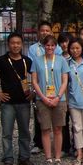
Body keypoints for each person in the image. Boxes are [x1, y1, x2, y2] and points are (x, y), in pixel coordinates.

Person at [0, 33, 35, 165]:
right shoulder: (0, 61)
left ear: (21, 45)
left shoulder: (27, 61)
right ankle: (8, 158)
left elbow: (37, 77)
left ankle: (24, 157)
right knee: (7, 132)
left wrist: (34, 92)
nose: (15, 45)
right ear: (8, 44)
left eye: (18, 43)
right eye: (13, 43)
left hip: (24, 102)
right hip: (7, 103)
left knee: (24, 131)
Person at [31, 35, 70, 165]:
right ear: (43, 46)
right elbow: (34, 81)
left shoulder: (61, 60)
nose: (50, 48)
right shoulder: (36, 61)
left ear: (56, 47)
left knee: (58, 129)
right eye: (47, 45)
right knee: (45, 129)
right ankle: (48, 159)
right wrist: (43, 97)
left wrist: (58, 97)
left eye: (52, 45)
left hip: (59, 100)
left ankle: (58, 159)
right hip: (43, 100)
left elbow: (65, 80)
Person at [28, 21, 62, 154]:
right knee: (40, 118)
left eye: (47, 30)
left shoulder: (57, 48)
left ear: (51, 32)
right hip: (40, 85)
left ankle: (59, 146)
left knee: (58, 121)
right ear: (38, 32)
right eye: (42, 30)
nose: (44, 33)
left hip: (55, 85)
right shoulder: (33, 49)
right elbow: (32, 69)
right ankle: (38, 143)